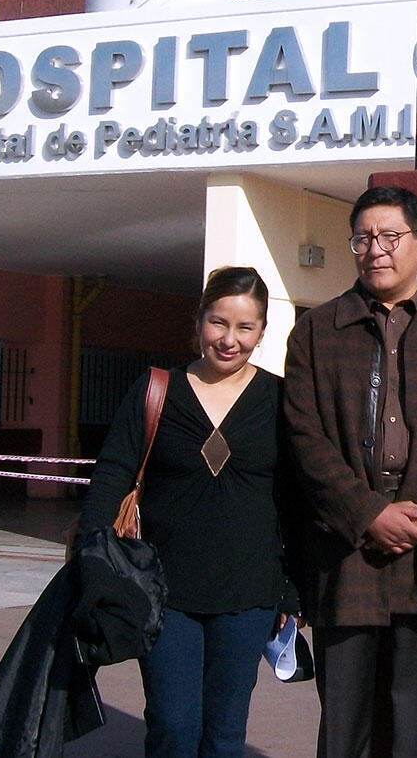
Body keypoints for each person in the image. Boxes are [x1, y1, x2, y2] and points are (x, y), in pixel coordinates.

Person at [283, 185, 417, 758]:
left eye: (390, 236)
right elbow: (306, 438)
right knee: (346, 727)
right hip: (348, 550)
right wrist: (366, 513)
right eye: (363, 237)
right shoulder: (316, 331)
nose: (375, 249)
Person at [78, 266, 299, 758]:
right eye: (219, 323)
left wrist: (293, 588)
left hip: (249, 593)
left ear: (262, 332)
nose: (229, 339)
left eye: (245, 327)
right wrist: (92, 561)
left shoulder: (280, 400)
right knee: (173, 728)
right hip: (163, 591)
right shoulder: (156, 390)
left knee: (224, 736)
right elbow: (112, 476)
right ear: (199, 321)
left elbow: (295, 499)